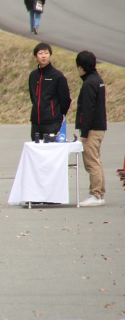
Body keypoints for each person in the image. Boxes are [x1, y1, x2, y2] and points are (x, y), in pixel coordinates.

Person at [75, 51, 107, 207]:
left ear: (81, 67)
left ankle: (95, 194)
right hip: (100, 126)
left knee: (91, 162)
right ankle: (99, 192)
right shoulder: (98, 80)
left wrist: (84, 132)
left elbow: (88, 109)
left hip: (92, 128)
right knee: (97, 160)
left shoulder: (88, 83)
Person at [28, 42, 71, 141]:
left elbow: (65, 99)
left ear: (50, 56)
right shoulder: (33, 75)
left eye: (46, 53)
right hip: (36, 121)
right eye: (40, 53)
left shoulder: (57, 76)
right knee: (37, 151)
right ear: (35, 57)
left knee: (51, 151)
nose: (43, 56)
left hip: (52, 122)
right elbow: (33, 96)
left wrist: (56, 114)